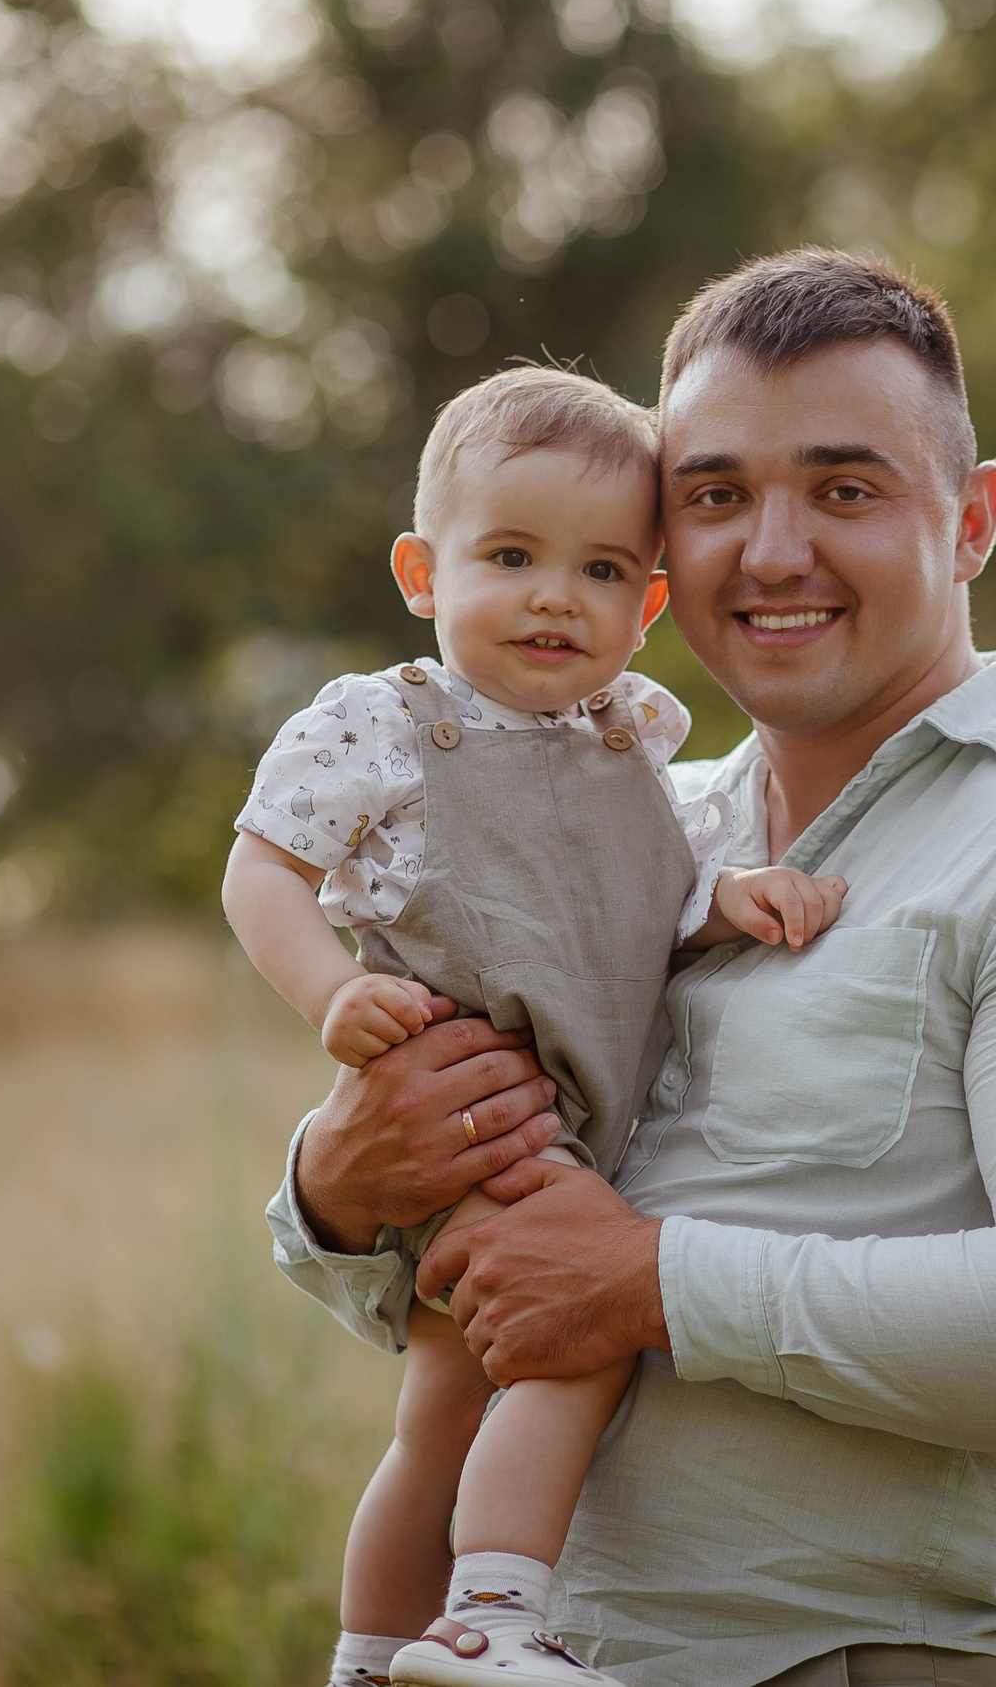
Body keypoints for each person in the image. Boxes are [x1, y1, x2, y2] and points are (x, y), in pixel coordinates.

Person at [266, 249, 996, 1687]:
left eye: (846, 489)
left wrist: (654, 1283)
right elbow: (466, 1286)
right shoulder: (647, 826)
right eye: (714, 497)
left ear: (973, 518)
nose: (769, 552)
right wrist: (338, 1182)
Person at [223, 365, 848, 1687]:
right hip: (474, 1121)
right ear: (421, 569)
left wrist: (731, 898)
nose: (559, 595)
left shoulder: (632, 745)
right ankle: (497, 1616)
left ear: (650, 602)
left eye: (606, 569)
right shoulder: (386, 728)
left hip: (576, 1133)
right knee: (581, 1353)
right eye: (511, 555)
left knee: (443, 1412)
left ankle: (371, 1656)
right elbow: (260, 870)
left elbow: (643, 916)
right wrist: (335, 993)